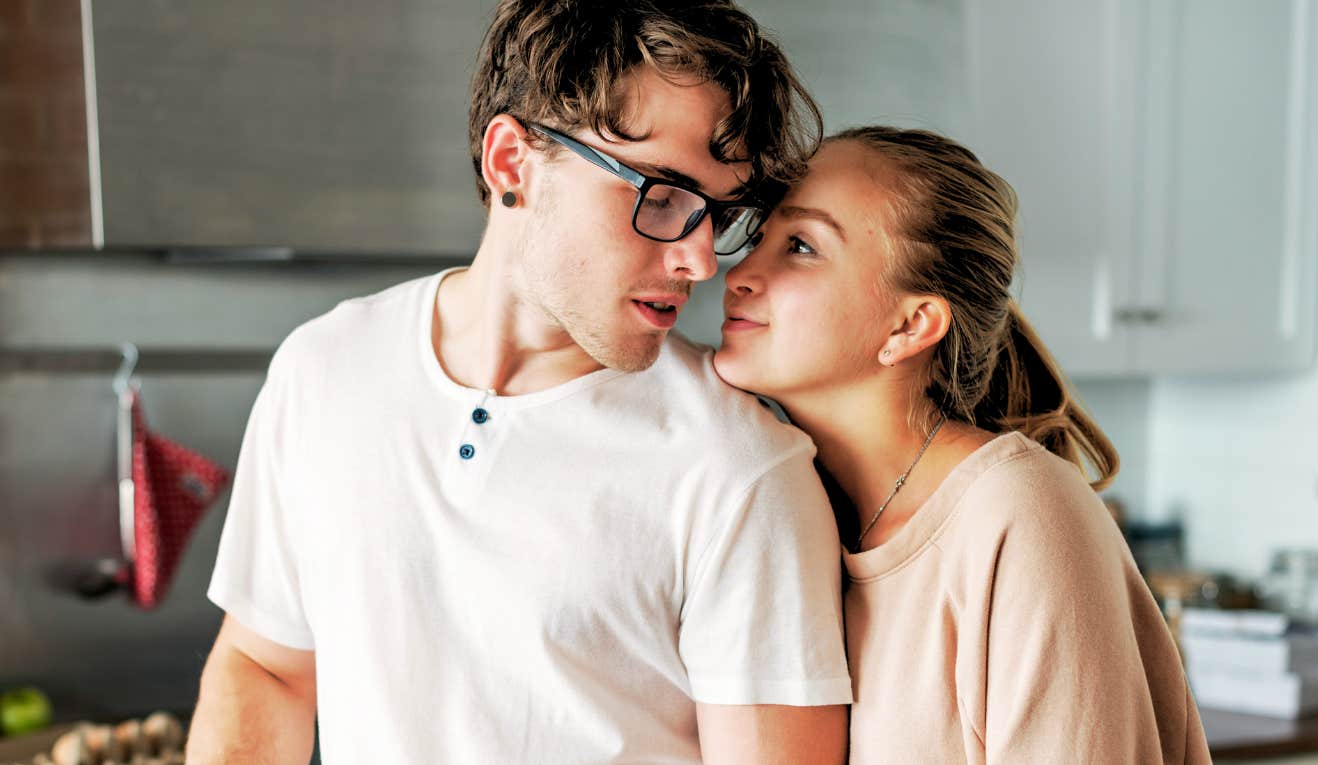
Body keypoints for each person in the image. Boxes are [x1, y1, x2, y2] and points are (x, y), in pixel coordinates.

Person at [186, 2, 853, 763]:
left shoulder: (741, 469)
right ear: (512, 163)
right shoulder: (323, 367)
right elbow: (267, 666)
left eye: (718, 214)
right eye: (662, 196)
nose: (701, 262)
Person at [714, 127, 1213, 763]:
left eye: (802, 246)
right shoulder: (798, 507)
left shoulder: (1021, 511)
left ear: (911, 325)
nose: (742, 274)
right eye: (760, 239)